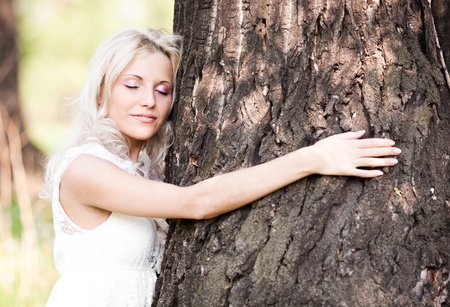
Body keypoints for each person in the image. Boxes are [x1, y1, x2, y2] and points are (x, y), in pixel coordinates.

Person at [41, 28, 401, 306]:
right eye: (132, 85)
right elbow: (196, 203)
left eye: (163, 90)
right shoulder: (84, 168)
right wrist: (312, 158)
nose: (148, 101)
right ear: (102, 91)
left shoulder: (145, 168)